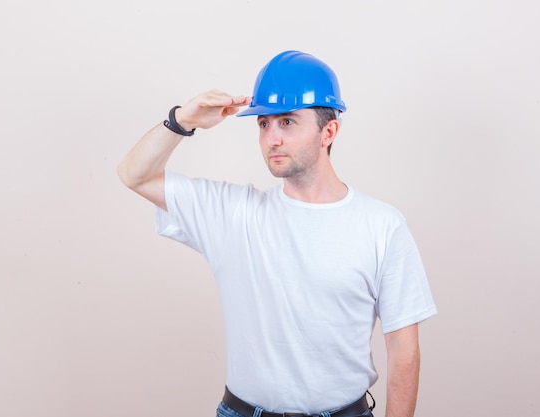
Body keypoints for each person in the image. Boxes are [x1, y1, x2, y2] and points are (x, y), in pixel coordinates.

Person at [117, 50, 437, 417]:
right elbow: (134, 175)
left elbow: (404, 350)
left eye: (287, 122)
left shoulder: (382, 225)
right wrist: (182, 120)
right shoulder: (231, 213)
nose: (271, 138)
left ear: (328, 131)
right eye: (263, 124)